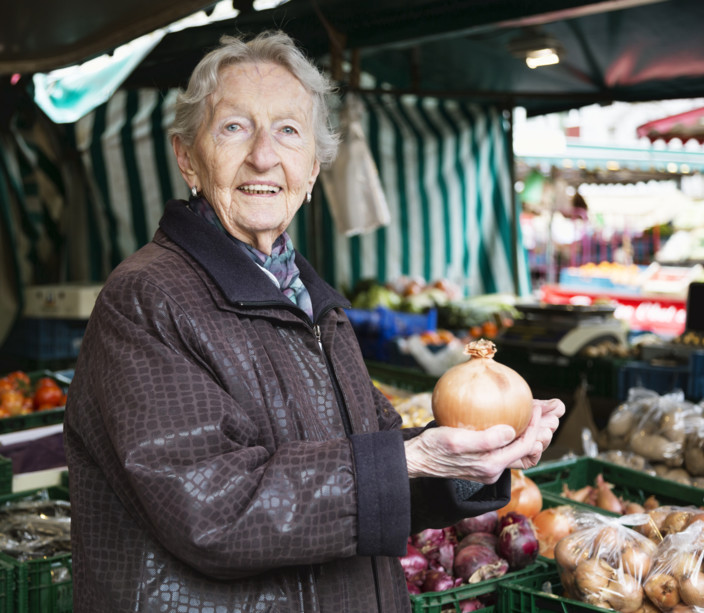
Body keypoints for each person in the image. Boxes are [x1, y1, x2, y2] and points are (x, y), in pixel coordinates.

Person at [63, 30, 565, 612]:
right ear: (187, 158)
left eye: (288, 131)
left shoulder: (310, 301)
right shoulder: (145, 299)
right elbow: (213, 509)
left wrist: (475, 459)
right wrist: (414, 456)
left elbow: (377, 463)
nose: (263, 155)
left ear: (313, 168)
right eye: (234, 127)